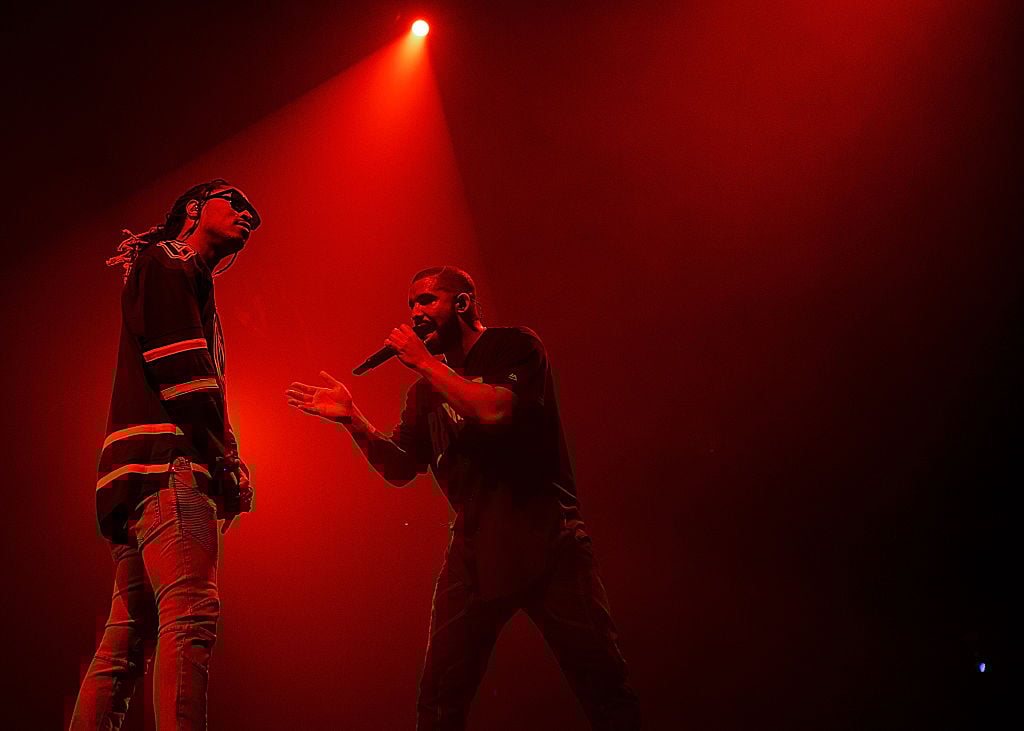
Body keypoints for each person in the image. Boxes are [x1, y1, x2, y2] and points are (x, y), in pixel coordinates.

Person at [286, 266, 641, 730]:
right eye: (410, 304)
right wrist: (353, 419)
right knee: (439, 698)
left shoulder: (515, 346)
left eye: (426, 301)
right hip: (474, 550)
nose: (415, 314)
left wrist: (425, 364)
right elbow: (399, 468)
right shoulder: (424, 393)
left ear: (462, 303)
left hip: (546, 538)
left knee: (602, 683)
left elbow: (495, 408)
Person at [71, 179, 258, 730]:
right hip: (168, 468)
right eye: (237, 202)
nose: (250, 215)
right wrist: (224, 460)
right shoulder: (173, 261)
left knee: (125, 642)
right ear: (195, 210)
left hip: (138, 475)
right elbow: (183, 372)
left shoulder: (171, 269)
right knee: (191, 614)